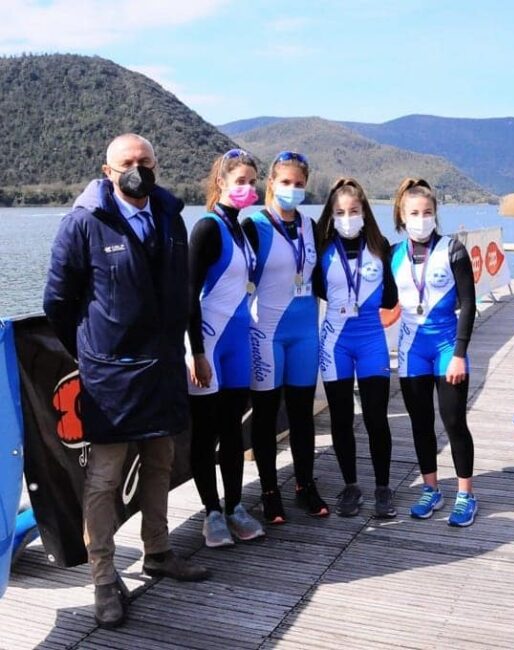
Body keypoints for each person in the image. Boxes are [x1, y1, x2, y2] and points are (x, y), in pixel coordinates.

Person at [43, 134, 208, 630]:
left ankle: (158, 551)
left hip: (162, 371)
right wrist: (93, 352)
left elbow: (184, 293)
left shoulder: (171, 218)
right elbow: (57, 302)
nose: (138, 170)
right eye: (127, 163)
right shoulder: (83, 224)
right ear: (107, 170)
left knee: (162, 462)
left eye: (145, 161)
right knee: (105, 479)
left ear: (156, 164)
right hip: (110, 379)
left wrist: (192, 348)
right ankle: (102, 581)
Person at [242, 151, 329, 523]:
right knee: (264, 417)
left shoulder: (311, 226)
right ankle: (269, 490)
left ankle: (305, 484)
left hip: (305, 333)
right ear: (271, 184)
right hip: (267, 335)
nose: (293, 189)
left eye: (299, 184)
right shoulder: (254, 225)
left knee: (302, 415)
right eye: (286, 183)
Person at [186, 149, 265, 546]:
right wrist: (196, 351)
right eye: (240, 182)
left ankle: (235, 506)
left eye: (253, 182)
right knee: (205, 433)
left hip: (237, 341)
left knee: (233, 430)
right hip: (208, 344)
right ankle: (211, 513)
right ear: (221, 184)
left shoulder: (246, 229)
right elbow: (188, 295)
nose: (248, 189)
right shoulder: (207, 229)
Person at [391, 178, 478, 526]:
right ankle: (431, 489)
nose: (421, 218)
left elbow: (470, 304)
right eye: (414, 212)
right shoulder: (394, 255)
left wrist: (459, 352)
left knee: (454, 422)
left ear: (435, 214)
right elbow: (382, 299)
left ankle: (465, 494)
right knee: (420, 424)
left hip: (446, 348)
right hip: (412, 350)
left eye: (427, 212)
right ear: (402, 215)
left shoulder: (453, 249)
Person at [314, 178, 398, 518]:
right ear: (331, 216)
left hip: (372, 341)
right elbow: (318, 288)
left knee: (377, 418)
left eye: (353, 211)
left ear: (364, 212)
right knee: (341, 419)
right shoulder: (322, 248)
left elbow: (391, 296)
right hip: (335, 341)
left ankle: (383, 487)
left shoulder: (382, 246)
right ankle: (350, 486)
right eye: (339, 212)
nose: (347, 217)